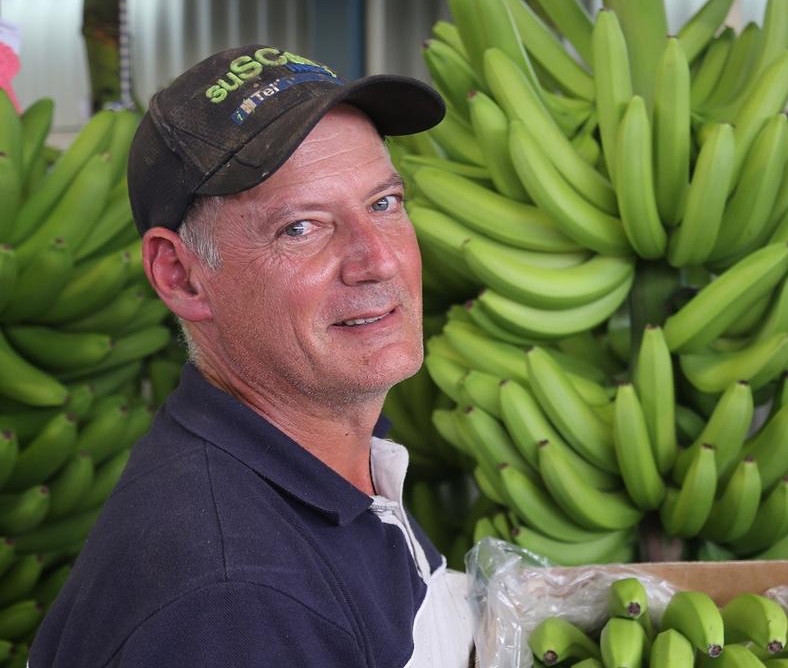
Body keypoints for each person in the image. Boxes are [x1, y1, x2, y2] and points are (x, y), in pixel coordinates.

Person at [29, 45, 474, 667]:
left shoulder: (328, 463)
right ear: (181, 276)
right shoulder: (232, 604)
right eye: (301, 227)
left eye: (384, 204)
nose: (379, 260)